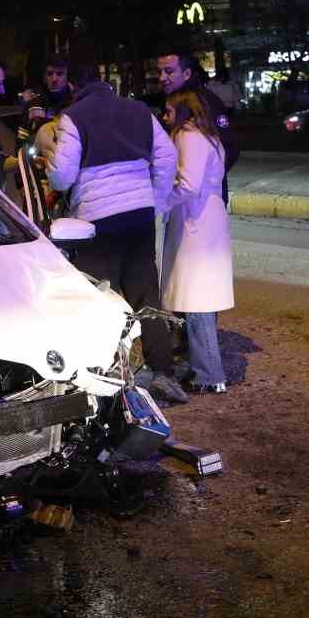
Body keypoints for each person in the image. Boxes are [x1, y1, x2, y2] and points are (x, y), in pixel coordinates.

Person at [45, 66, 188, 404]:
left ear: (74, 85)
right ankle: (163, 372)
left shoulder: (73, 116)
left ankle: (102, 376)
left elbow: (62, 178)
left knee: (98, 297)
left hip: (97, 221)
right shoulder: (139, 111)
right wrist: (153, 199)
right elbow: (167, 156)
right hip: (138, 216)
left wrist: (50, 165)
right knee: (145, 294)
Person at [160, 91, 234, 394]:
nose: (165, 117)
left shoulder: (188, 136)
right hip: (207, 220)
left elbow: (188, 184)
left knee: (197, 301)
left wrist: (160, 200)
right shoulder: (209, 136)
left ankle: (208, 375)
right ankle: (202, 368)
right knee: (198, 299)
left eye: (168, 111)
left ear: (182, 111)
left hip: (196, 222)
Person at [157, 49, 239, 197]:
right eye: (160, 72)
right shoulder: (171, 101)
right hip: (183, 199)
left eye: (169, 71)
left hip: (203, 201)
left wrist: (208, 182)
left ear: (187, 74)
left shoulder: (206, 103)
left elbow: (229, 147)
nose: (162, 77)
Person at [19, 56, 72, 139]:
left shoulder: (75, 102)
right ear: (44, 77)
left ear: (67, 76)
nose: (54, 79)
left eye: (59, 74)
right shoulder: (33, 104)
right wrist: (22, 150)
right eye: (50, 74)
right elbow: (22, 136)